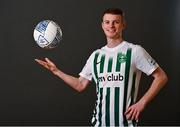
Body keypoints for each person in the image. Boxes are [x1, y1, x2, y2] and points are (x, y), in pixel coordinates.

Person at [35, 8, 168, 126]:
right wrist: (56, 71)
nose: (111, 26)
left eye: (116, 22)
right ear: (102, 25)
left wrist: (141, 103)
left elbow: (161, 77)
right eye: (107, 22)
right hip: (99, 123)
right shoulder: (96, 55)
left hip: (126, 124)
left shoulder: (134, 51)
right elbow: (80, 85)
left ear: (123, 25)